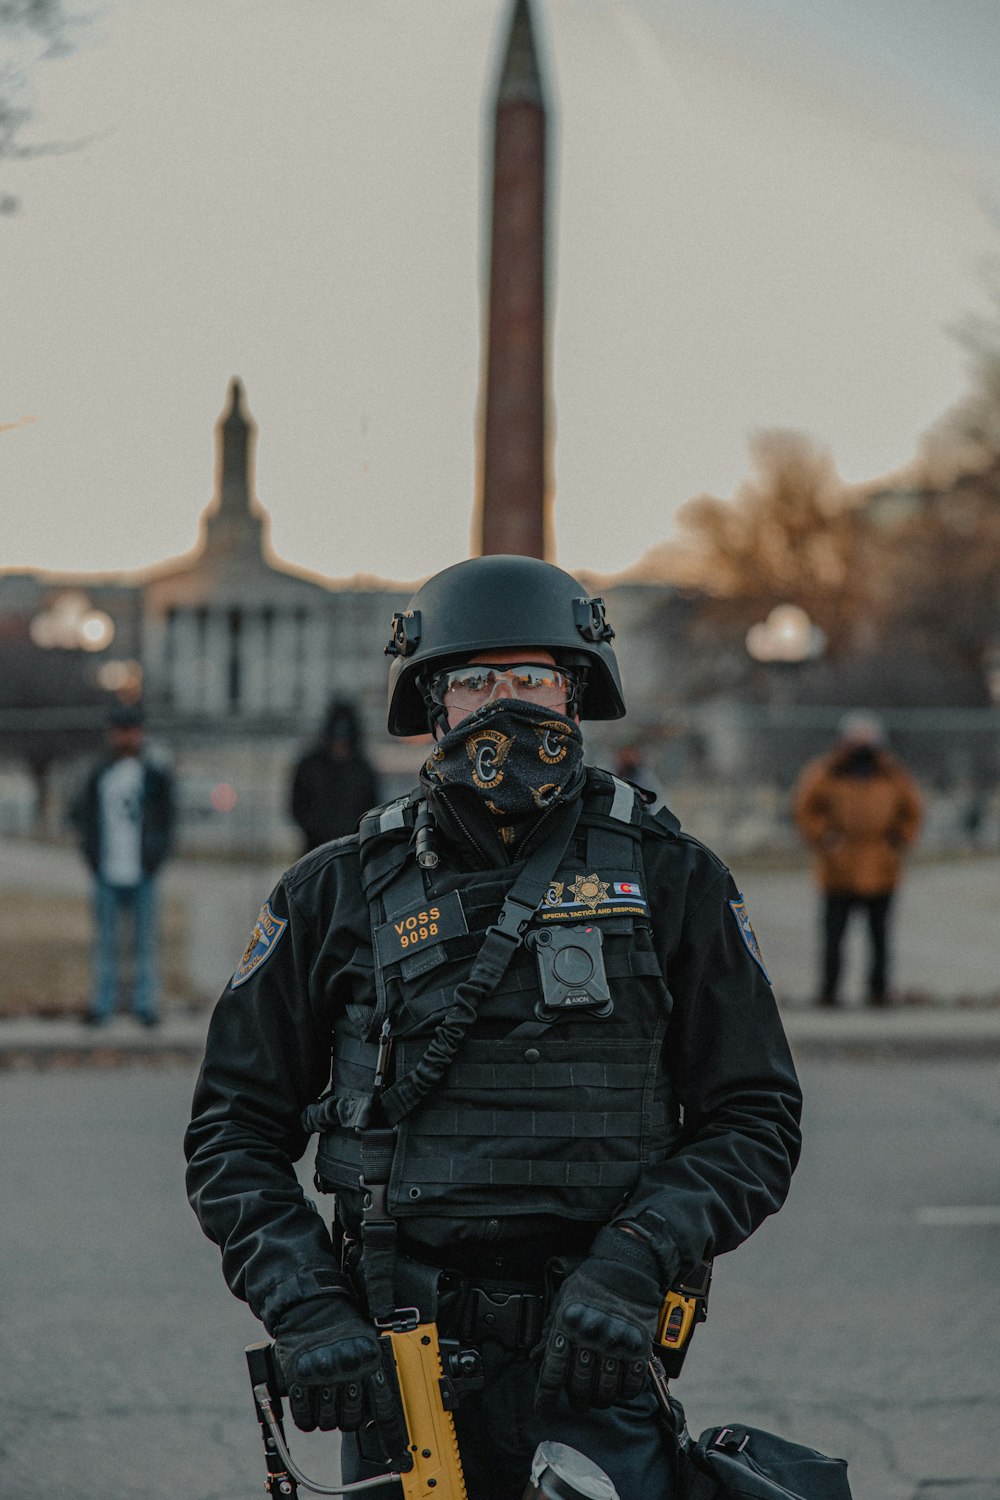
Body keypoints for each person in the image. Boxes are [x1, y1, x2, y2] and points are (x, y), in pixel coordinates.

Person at [185, 555, 803, 1499]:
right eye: (475, 680)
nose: (503, 704)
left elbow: (755, 1118)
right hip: (396, 1368)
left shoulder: (676, 880)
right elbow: (231, 1131)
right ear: (433, 705)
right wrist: (307, 1309)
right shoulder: (335, 892)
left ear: (575, 693)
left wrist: (639, 1264)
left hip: (596, 1351)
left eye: (531, 678)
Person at [793, 712, 923, 1008]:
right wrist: (824, 836)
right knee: (833, 937)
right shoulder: (825, 772)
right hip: (838, 870)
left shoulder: (893, 774)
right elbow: (805, 808)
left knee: (880, 937)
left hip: (881, 868)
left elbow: (913, 811)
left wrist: (898, 840)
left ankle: (878, 992)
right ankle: (829, 991)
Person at [69, 703, 176, 1026]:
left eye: (131, 730)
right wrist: (91, 856)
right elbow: (82, 816)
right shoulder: (99, 773)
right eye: (120, 730)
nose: (126, 737)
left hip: (142, 870)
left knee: (145, 941)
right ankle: (103, 1005)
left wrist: (155, 857)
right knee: (106, 942)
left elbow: (167, 819)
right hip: (107, 870)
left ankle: (145, 1005)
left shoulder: (154, 774)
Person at [289, 698, 382, 855]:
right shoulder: (311, 765)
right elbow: (298, 806)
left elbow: (371, 808)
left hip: (350, 849)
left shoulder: (362, 769)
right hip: (315, 848)